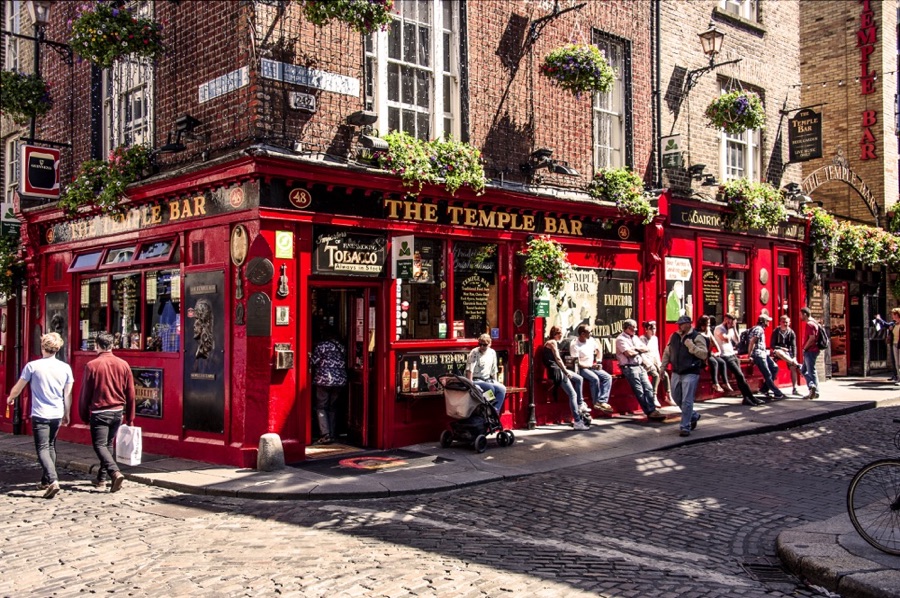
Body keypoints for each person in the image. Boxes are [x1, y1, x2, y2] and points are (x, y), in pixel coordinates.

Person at [5, 333, 73, 499]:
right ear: (58, 348)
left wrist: (10, 398)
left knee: (42, 447)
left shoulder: (32, 366)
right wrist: (67, 412)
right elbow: (68, 394)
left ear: (43, 347)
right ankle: (45, 480)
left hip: (40, 413)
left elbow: (18, 387)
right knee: (50, 445)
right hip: (57, 412)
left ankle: (53, 480)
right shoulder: (65, 368)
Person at [79, 331, 135, 493]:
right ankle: (101, 479)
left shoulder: (92, 365)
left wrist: (83, 415)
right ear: (112, 345)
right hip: (118, 411)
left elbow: (85, 394)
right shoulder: (123, 364)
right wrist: (130, 417)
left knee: (99, 445)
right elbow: (131, 393)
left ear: (97, 345)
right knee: (108, 445)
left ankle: (114, 472)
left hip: (100, 412)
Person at [661, 315, 707, 436]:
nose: (679, 326)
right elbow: (667, 352)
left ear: (688, 324)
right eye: (678, 324)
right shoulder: (674, 336)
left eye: (681, 324)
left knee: (687, 400)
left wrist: (691, 346)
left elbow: (703, 354)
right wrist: (663, 367)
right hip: (676, 371)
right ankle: (693, 415)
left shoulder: (697, 337)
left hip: (690, 372)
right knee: (676, 397)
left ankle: (684, 426)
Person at [615, 319, 666, 420]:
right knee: (640, 391)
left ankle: (652, 410)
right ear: (627, 328)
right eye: (633, 328)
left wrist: (635, 349)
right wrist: (638, 349)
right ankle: (650, 412)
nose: (635, 330)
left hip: (640, 365)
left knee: (649, 388)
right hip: (629, 367)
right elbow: (628, 354)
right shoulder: (620, 339)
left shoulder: (635, 338)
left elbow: (646, 349)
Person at [543, 326, 590, 430]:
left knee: (579, 379)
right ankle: (577, 421)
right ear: (556, 333)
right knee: (572, 394)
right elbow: (558, 358)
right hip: (557, 371)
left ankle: (580, 403)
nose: (562, 335)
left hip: (559, 369)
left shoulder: (551, 342)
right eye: (560, 333)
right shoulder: (552, 342)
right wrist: (565, 372)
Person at [311, 326, 347, 445]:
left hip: (324, 379)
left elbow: (314, 361)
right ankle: (332, 433)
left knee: (321, 406)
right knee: (332, 407)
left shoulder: (322, 346)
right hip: (340, 380)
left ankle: (325, 434)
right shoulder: (341, 346)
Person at [714, 313, 759, 405]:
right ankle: (749, 397)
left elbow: (737, 340)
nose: (732, 323)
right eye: (731, 321)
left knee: (740, 377)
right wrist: (730, 329)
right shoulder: (719, 328)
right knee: (740, 376)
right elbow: (725, 339)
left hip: (733, 355)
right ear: (726, 320)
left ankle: (748, 398)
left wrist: (734, 328)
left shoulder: (730, 329)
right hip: (725, 356)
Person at [569, 324, 614, 414]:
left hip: (592, 366)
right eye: (589, 332)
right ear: (582, 334)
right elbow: (576, 362)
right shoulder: (575, 344)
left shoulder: (591, 340)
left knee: (608, 377)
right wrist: (589, 366)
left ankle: (602, 401)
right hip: (582, 369)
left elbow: (599, 349)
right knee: (595, 379)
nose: (591, 334)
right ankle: (596, 402)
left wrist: (598, 362)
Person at [465, 334, 507, 415]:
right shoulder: (474, 352)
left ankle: (495, 411)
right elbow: (469, 370)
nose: (482, 347)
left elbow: (494, 370)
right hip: (476, 379)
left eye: (484, 345)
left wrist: (496, 382)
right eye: (480, 344)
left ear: (490, 344)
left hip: (487, 379)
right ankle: (489, 408)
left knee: (502, 389)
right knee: (490, 388)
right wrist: (470, 384)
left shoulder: (492, 352)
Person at [748, 314, 785, 400]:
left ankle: (764, 389)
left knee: (774, 368)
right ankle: (777, 393)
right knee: (767, 374)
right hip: (759, 354)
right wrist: (750, 355)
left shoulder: (760, 329)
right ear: (763, 321)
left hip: (763, 353)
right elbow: (752, 342)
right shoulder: (758, 329)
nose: (769, 322)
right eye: (767, 321)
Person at [697, 315, 731, 393]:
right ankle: (715, 383)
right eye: (707, 324)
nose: (709, 326)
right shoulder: (698, 333)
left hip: (709, 353)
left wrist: (718, 352)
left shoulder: (708, 332)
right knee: (714, 362)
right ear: (703, 324)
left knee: (722, 362)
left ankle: (725, 382)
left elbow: (714, 342)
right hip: (702, 355)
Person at [640, 321, 671, 407]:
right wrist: (649, 365)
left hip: (655, 362)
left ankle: (669, 396)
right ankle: (654, 396)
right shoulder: (641, 339)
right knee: (656, 375)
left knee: (665, 374)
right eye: (651, 329)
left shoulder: (655, 339)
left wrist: (660, 365)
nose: (653, 331)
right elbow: (642, 355)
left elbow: (656, 353)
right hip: (646, 363)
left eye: (654, 329)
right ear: (646, 329)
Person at [771, 315, 802, 396]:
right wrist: (781, 348)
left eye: (787, 322)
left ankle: (794, 388)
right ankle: (795, 363)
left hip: (788, 353)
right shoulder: (776, 331)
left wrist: (794, 357)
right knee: (779, 352)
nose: (785, 324)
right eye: (784, 322)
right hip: (778, 352)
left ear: (790, 323)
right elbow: (772, 345)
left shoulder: (791, 332)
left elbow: (794, 346)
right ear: (780, 322)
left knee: (793, 368)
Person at [799, 307, 822, 400]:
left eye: (800, 314)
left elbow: (812, 338)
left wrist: (804, 348)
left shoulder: (809, 324)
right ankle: (812, 387)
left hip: (810, 351)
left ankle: (815, 391)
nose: (800, 316)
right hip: (813, 350)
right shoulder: (815, 323)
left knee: (811, 371)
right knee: (803, 370)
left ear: (805, 314)